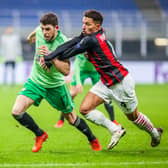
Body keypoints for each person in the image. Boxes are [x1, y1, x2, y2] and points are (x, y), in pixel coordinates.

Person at [44, 9, 163, 149]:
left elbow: (71, 52)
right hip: (106, 82)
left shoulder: (92, 40)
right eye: (83, 23)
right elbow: (75, 40)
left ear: (97, 26)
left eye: (87, 24)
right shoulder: (93, 34)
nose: (84, 27)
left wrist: (51, 57)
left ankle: (155, 134)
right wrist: (51, 56)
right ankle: (115, 129)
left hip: (120, 83)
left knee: (134, 117)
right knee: (85, 109)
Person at [11, 12, 102, 152]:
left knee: (71, 119)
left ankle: (92, 138)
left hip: (55, 86)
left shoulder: (64, 42)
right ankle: (40, 134)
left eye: (48, 29)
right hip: (36, 82)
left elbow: (66, 71)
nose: (44, 32)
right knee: (16, 111)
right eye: (42, 29)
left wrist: (51, 58)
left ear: (56, 28)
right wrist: (30, 39)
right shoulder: (39, 31)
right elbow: (33, 35)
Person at [54, 53, 120, 128]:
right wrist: (78, 83)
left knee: (105, 94)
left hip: (95, 71)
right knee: (71, 94)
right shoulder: (81, 49)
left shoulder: (94, 48)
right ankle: (61, 120)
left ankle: (113, 120)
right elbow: (77, 66)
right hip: (81, 71)